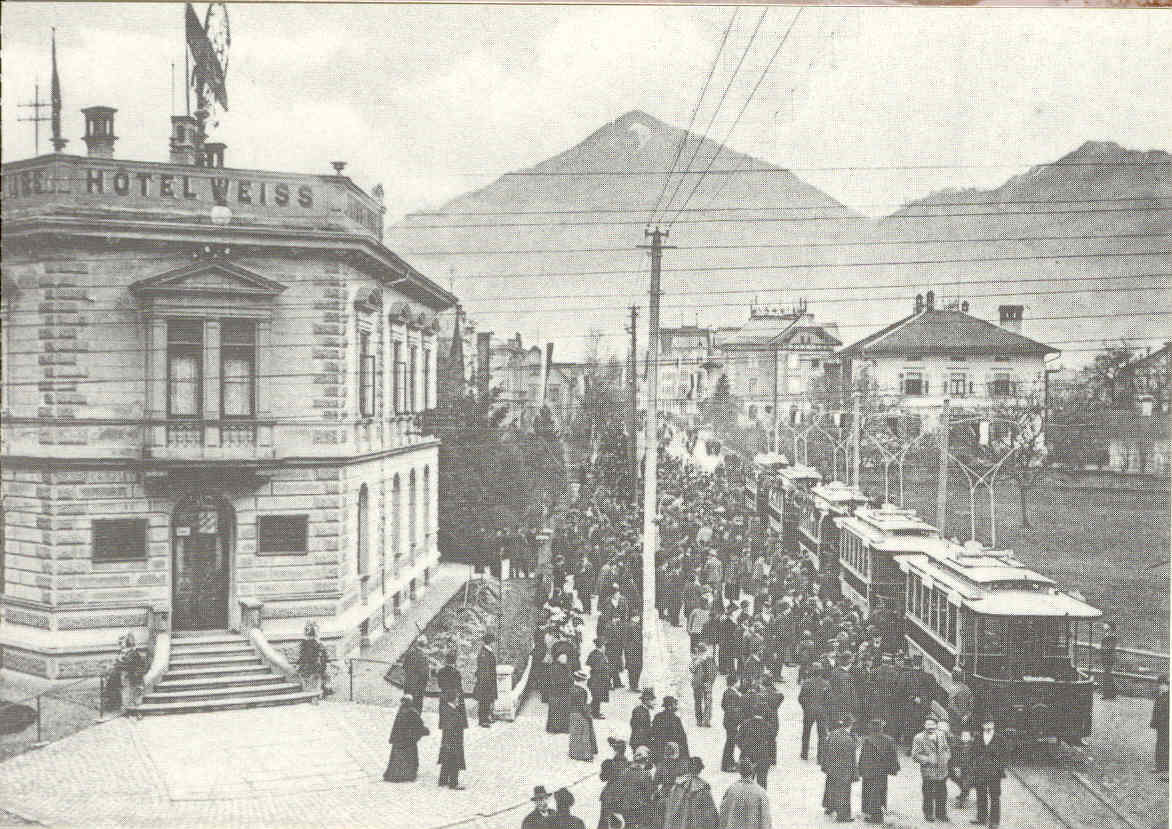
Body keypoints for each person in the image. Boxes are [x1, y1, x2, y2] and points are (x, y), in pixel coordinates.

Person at [969, 719, 1010, 828]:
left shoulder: (1000, 739)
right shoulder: (978, 738)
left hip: (994, 773)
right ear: (982, 725)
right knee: (981, 795)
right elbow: (972, 753)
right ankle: (981, 818)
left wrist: (999, 768)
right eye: (986, 724)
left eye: (990, 724)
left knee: (995, 796)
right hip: (980, 772)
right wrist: (974, 766)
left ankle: (994, 821)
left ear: (993, 725)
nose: (988, 726)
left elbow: (1005, 756)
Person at [858, 718, 899, 824]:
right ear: (881, 728)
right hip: (882, 772)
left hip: (868, 772)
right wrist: (893, 769)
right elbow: (893, 756)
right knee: (880, 792)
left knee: (868, 792)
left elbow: (863, 757)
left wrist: (860, 770)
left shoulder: (867, 740)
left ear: (871, 728)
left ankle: (872, 815)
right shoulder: (888, 739)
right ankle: (878, 814)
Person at [912, 716, 951, 822]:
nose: (930, 727)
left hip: (942, 770)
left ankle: (941, 814)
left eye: (933, 724)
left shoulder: (941, 735)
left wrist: (946, 757)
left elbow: (946, 748)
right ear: (924, 725)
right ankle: (928, 814)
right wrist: (928, 759)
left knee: (942, 793)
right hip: (928, 770)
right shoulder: (918, 738)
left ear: (936, 725)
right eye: (928, 724)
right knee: (928, 793)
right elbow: (915, 755)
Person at [663, 756, 719, 829]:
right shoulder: (702, 788)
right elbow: (710, 814)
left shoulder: (677, 786)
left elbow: (671, 811)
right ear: (700, 769)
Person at [820, 719, 858, 823]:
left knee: (830, 787)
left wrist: (825, 765)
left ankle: (829, 807)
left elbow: (825, 749)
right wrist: (854, 774)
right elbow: (852, 755)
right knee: (844, 792)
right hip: (843, 769)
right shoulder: (849, 739)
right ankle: (843, 815)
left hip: (831, 767)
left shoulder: (833, 733)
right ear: (851, 725)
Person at [384, 697, 430, 782]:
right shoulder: (412, 712)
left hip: (398, 741)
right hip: (409, 741)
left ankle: (395, 775)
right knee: (409, 758)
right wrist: (425, 731)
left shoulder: (401, 712)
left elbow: (395, 727)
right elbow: (418, 725)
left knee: (397, 759)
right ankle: (407, 775)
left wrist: (393, 739)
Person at [718, 759, 771, 829]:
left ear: (739, 772)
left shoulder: (731, 790)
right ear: (752, 771)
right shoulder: (760, 792)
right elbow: (765, 818)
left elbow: (723, 814)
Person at [735, 700, 773, 788]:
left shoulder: (745, 724)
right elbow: (771, 742)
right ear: (763, 713)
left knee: (746, 783)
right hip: (762, 757)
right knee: (762, 783)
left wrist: (744, 748)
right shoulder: (767, 726)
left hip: (747, 757)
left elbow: (737, 739)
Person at [615, 746, 656, 829]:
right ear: (646, 760)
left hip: (625, 807)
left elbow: (619, 789)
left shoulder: (625, 772)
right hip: (639, 808)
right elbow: (649, 792)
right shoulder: (645, 774)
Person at [798, 662, 831, 763]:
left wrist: (806, 707)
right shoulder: (826, 684)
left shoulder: (806, 683)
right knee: (822, 735)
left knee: (806, 732)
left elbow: (801, 698)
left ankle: (804, 753)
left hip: (809, 711)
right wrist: (824, 709)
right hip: (821, 712)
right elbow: (829, 700)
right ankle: (820, 757)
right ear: (821, 672)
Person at [437, 686, 468, 790]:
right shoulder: (451, 711)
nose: (458, 700)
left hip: (448, 742)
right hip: (453, 742)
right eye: (457, 698)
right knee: (454, 761)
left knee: (446, 761)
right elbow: (451, 727)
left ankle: (443, 780)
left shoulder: (447, 709)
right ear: (452, 699)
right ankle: (453, 783)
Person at [568, 671, 600, 762]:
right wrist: (588, 715)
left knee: (575, 734)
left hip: (573, 713)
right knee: (583, 734)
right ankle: (584, 755)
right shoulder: (582, 690)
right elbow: (582, 705)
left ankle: (574, 752)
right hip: (581, 714)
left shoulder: (573, 688)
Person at [599, 738, 630, 829]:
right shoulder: (629, 764)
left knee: (604, 822)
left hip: (609, 797)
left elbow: (602, 778)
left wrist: (604, 768)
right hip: (623, 797)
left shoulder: (609, 763)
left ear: (614, 750)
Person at [650, 696, 690, 765]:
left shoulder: (658, 717)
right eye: (675, 704)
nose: (676, 706)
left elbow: (652, 733)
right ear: (669, 706)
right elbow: (682, 738)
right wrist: (686, 757)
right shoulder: (675, 719)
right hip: (673, 754)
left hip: (660, 753)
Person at [114, 633, 147, 712]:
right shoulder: (123, 653)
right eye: (119, 643)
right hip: (125, 676)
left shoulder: (133, 653)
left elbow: (131, 664)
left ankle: (135, 710)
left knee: (133, 693)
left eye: (122, 642)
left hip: (132, 677)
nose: (120, 644)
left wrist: (120, 664)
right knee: (125, 692)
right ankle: (127, 709)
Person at [721, 675, 747, 772]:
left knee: (730, 742)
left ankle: (730, 762)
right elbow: (732, 710)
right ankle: (727, 765)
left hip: (729, 721)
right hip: (731, 722)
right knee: (730, 743)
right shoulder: (732, 694)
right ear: (734, 683)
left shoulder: (728, 692)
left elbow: (723, 705)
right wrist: (740, 718)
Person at [398, 637, 432, 711]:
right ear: (424, 645)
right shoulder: (424, 657)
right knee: (416, 707)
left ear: (417, 644)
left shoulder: (409, 654)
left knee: (406, 704)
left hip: (408, 684)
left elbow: (404, 667)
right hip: (418, 686)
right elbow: (425, 675)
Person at [297, 622, 329, 699]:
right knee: (314, 684)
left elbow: (302, 656)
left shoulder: (305, 644)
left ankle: (313, 696)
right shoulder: (316, 644)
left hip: (309, 667)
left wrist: (299, 665)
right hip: (313, 667)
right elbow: (322, 657)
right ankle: (315, 696)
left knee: (311, 684)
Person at [474, 632, 498, 728]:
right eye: (493, 642)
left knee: (487, 700)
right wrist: (487, 683)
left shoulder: (487, 652)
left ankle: (486, 718)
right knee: (484, 700)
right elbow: (484, 671)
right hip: (485, 682)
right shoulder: (484, 653)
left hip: (489, 681)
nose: (494, 644)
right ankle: (483, 720)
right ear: (491, 642)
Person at [690, 643, 718, 728]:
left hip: (704, 684)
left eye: (702, 652)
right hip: (700, 684)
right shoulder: (696, 660)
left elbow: (714, 672)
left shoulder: (709, 660)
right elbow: (692, 669)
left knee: (705, 702)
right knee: (701, 702)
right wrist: (697, 661)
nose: (701, 654)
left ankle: (705, 720)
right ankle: (701, 720)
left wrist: (711, 681)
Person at [547, 652, 575, 734]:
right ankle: (556, 728)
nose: (565, 660)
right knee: (557, 710)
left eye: (566, 658)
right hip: (558, 692)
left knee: (562, 710)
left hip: (562, 692)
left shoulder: (564, 666)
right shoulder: (555, 667)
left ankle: (561, 727)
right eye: (563, 658)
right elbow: (555, 680)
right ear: (559, 658)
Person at [586, 638, 611, 719]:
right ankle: (595, 714)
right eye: (604, 646)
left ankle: (593, 711)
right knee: (597, 697)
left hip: (595, 678)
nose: (605, 647)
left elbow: (588, 663)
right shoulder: (599, 655)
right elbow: (600, 668)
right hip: (598, 679)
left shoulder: (593, 653)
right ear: (602, 646)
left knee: (596, 697)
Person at [950, 729, 974, 807]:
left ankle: (962, 800)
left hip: (970, 769)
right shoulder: (957, 746)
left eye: (967, 736)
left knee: (966, 782)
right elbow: (954, 758)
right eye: (963, 736)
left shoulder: (974, 746)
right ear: (960, 737)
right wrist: (956, 767)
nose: (965, 737)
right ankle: (964, 793)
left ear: (970, 737)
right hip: (960, 767)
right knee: (955, 778)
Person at [1153, 675, 1169, 774]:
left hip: (1166, 725)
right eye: (1160, 685)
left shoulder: (1168, 697)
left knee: (1165, 744)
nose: (1160, 687)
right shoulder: (1160, 696)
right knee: (1160, 744)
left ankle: (1165, 766)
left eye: (1162, 685)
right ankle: (1159, 765)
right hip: (1161, 724)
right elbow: (1156, 711)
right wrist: (1154, 722)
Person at [631, 688, 655, 753]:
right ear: (646, 700)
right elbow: (640, 728)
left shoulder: (643, 710)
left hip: (641, 741)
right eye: (652, 700)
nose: (653, 702)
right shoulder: (639, 711)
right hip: (640, 742)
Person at [625, 616, 644, 692]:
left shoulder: (629, 626)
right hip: (635, 651)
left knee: (631, 669)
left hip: (629, 651)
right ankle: (634, 686)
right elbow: (637, 640)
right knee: (636, 668)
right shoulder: (634, 627)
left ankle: (632, 685)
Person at [1100, 622, 1119, 700]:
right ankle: (1112, 692)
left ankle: (1107, 693)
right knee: (1108, 675)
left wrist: (1102, 649)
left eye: (1107, 628)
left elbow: (1110, 648)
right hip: (1105, 657)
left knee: (1107, 675)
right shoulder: (1107, 636)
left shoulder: (1112, 637)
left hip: (1109, 658)